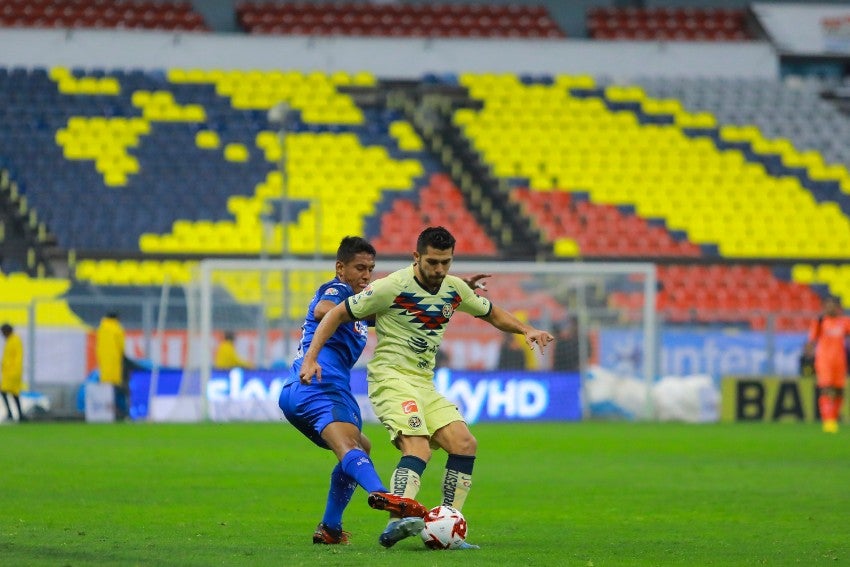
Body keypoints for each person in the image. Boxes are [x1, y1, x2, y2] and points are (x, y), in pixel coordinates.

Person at [298, 226, 554, 549]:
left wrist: (526, 329)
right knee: (417, 447)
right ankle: (397, 521)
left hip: (423, 383)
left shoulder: (454, 288)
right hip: (390, 378)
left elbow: (491, 313)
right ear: (416, 257)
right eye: (432, 262)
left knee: (465, 443)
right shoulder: (390, 287)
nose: (439, 270)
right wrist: (310, 358)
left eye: (446, 263)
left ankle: (447, 526)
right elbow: (334, 313)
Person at [278, 236, 429, 546]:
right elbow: (324, 308)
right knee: (351, 446)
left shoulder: (357, 307)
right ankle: (385, 495)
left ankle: (331, 528)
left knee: (362, 445)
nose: (366, 275)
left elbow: (390, 309)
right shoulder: (338, 291)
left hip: (299, 391)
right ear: (340, 268)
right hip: (320, 385)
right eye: (359, 267)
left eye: (370, 269)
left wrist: (442, 289)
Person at [806, 295, 850, 433]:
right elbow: (812, 340)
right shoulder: (820, 321)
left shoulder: (844, 322)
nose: (830, 307)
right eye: (827, 304)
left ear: (838, 307)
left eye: (833, 305)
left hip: (840, 361)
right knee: (826, 389)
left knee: (838, 391)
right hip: (824, 361)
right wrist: (809, 356)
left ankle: (834, 417)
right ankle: (828, 420)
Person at [95, 312, 129, 420]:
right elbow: (121, 346)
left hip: (104, 367)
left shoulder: (101, 329)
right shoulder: (117, 328)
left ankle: (106, 414)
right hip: (115, 366)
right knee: (118, 390)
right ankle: (122, 413)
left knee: (107, 391)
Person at [1, 323, 25, 422]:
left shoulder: (15, 340)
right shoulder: (10, 340)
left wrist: (14, 372)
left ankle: (12, 414)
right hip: (9, 372)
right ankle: (20, 415)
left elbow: (17, 358)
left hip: (13, 373)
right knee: (14, 393)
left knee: (4, 391)